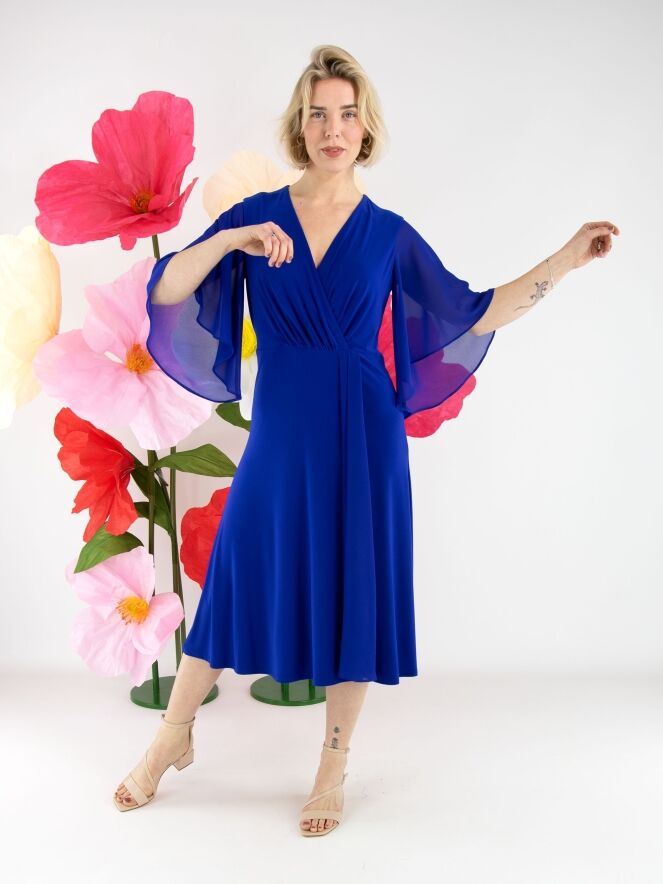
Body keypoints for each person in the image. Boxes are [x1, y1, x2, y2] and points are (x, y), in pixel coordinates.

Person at [113, 44, 619, 835]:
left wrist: (565, 259)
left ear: (365, 127)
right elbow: (169, 287)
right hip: (283, 428)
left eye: (346, 114)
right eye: (318, 114)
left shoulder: (386, 233)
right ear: (300, 124)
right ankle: (172, 736)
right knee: (238, 570)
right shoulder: (258, 216)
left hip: (364, 432)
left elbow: (474, 311)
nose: (332, 128)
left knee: (353, 586)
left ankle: (332, 762)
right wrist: (229, 242)